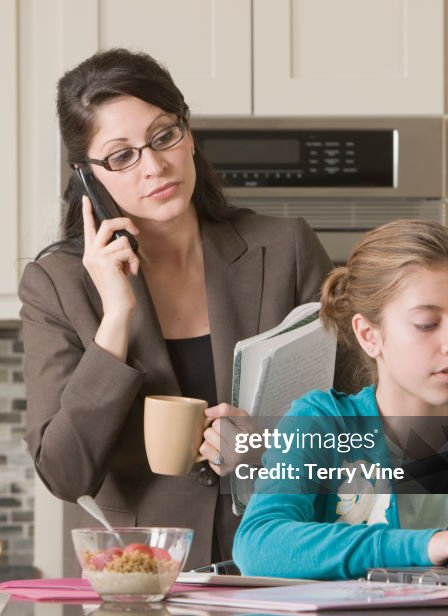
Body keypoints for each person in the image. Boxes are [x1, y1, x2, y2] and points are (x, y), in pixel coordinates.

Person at [19, 48, 341, 571]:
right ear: (88, 177)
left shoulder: (287, 249)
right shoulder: (57, 285)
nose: (155, 165)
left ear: (188, 134)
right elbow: (64, 473)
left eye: (164, 135)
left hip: (285, 565)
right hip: (138, 579)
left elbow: (366, 428)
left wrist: (269, 447)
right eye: (122, 155)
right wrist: (116, 318)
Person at [233, 219, 448, 580]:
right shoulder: (322, 422)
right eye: (427, 323)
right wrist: (421, 546)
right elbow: (258, 544)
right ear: (369, 334)